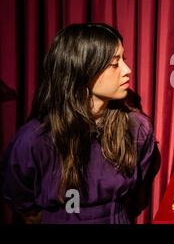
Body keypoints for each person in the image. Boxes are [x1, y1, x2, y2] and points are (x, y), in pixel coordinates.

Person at [1, 23, 156, 223]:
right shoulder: (35, 139)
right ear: (82, 69)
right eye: (115, 63)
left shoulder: (137, 129)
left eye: (123, 60)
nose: (128, 70)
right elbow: (20, 198)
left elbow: (137, 192)